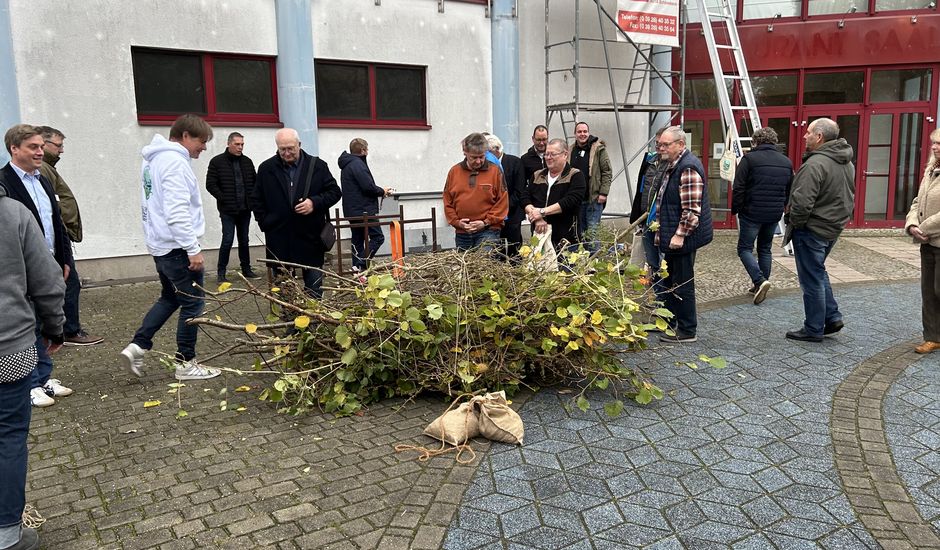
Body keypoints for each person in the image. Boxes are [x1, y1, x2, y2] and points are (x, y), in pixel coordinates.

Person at [119, 114, 220, 380]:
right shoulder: (174, 162)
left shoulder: (154, 160)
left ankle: (138, 345)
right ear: (185, 136)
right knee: (193, 304)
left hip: (161, 245)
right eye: (202, 141)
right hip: (177, 247)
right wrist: (192, 248)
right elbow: (176, 211)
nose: (204, 147)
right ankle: (186, 363)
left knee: (170, 297)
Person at [0, 183, 65, 550]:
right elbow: (46, 279)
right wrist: (54, 327)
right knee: (8, 437)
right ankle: (7, 535)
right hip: (7, 347)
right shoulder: (12, 213)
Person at [1, 124, 73, 407]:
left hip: (50, 261)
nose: (40, 152)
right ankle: (30, 384)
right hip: (22, 266)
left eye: (42, 147)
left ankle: (44, 378)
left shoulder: (43, 180)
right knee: (26, 323)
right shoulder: (4, 182)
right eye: (33, 147)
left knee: (44, 322)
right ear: (14, 149)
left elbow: (57, 223)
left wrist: (64, 259)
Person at [784, 118, 855, 343]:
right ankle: (832, 317)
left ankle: (813, 328)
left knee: (811, 278)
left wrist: (797, 223)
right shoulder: (845, 161)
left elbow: (802, 203)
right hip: (831, 227)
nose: (804, 136)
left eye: (808, 133)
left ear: (819, 137)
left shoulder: (816, 164)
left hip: (812, 229)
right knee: (818, 271)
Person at [251, 128, 342, 298]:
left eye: (290, 148)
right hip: (280, 238)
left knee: (314, 289)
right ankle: (291, 323)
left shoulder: (317, 166)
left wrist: (314, 203)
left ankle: (315, 321)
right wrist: (265, 222)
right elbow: (256, 198)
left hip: (311, 237)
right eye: (282, 149)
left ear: (299, 145)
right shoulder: (266, 168)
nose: (286, 153)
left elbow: (335, 192)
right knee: (286, 292)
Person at [37, 127, 103, 347]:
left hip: (60, 236)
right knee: (69, 283)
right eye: (58, 145)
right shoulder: (43, 170)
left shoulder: (47, 168)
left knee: (66, 283)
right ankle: (69, 331)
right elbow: (49, 208)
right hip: (56, 239)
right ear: (44, 144)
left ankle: (60, 331)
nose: (61, 150)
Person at [649, 126, 713, 343]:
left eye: (666, 145)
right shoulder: (673, 164)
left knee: (682, 283)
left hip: (682, 239)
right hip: (671, 235)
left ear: (681, 145)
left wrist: (679, 235)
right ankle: (668, 322)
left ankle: (687, 330)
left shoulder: (687, 168)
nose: (661, 149)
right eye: (660, 145)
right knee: (670, 280)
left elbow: (692, 209)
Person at [730, 126, 793, 305]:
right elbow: (789, 188)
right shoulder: (786, 162)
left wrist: (737, 208)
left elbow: (739, 187)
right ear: (774, 141)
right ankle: (760, 284)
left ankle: (759, 281)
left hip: (751, 212)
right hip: (773, 213)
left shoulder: (749, 159)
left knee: (744, 249)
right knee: (765, 249)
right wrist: (781, 206)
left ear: (755, 141)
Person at [205, 131, 259, 283]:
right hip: (227, 210)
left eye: (242, 144)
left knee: (244, 240)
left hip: (245, 209)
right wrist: (224, 199)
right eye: (237, 144)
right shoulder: (217, 162)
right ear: (228, 144)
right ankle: (221, 272)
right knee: (227, 239)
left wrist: (253, 201)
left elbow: (255, 183)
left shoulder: (247, 162)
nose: (240, 147)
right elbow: (210, 184)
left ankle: (246, 269)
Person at [905, 127, 940, 354]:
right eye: (933, 144)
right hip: (927, 243)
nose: (935, 147)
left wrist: (924, 227)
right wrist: (912, 225)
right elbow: (917, 201)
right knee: (928, 292)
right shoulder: (930, 171)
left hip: (935, 239)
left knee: (939, 290)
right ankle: (933, 336)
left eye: (939, 144)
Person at [442, 133, 507, 251]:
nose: (478, 161)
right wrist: (457, 222)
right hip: (462, 233)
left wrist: (485, 222)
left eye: (481, 157)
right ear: (465, 153)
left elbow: (502, 202)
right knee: (466, 268)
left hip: (488, 231)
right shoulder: (454, 172)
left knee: (483, 266)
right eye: (474, 157)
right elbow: (447, 201)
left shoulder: (495, 171)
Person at [338, 138, 392, 272]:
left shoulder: (347, 164)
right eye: (367, 149)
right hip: (364, 210)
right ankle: (360, 264)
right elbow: (368, 187)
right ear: (362, 150)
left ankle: (358, 272)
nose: (368, 152)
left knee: (357, 239)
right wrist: (382, 191)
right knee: (378, 237)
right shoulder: (358, 165)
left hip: (352, 210)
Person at [523, 139, 586, 250]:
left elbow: (570, 201)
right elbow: (525, 197)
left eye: (553, 154)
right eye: (546, 154)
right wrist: (537, 217)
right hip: (539, 236)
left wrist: (542, 212)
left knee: (565, 266)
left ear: (565, 155)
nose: (548, 157)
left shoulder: (575, 175)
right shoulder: (537, 175)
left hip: (566, 239)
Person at [570, 122, 612, 248]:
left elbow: (607, 171)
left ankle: (594, 262)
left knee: (593, 233)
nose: (582, 134)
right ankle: (583, 262)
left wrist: (603, 193)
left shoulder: (598, 149)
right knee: (580, 233)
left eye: (585, 131)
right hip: (577, 200)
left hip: (593, 199)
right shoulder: (571, 149)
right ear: (575, 134)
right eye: (579, 132)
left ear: (588, 133)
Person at [484, 134, 526, 259]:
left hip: (512, 214)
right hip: (494, 217)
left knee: (514, 249)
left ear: (496, 150)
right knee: (497, 249)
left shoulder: (515, 162)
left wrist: (503, 206)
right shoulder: (486, 166)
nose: (485, 156)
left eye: (488, 152)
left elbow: (519, 190)